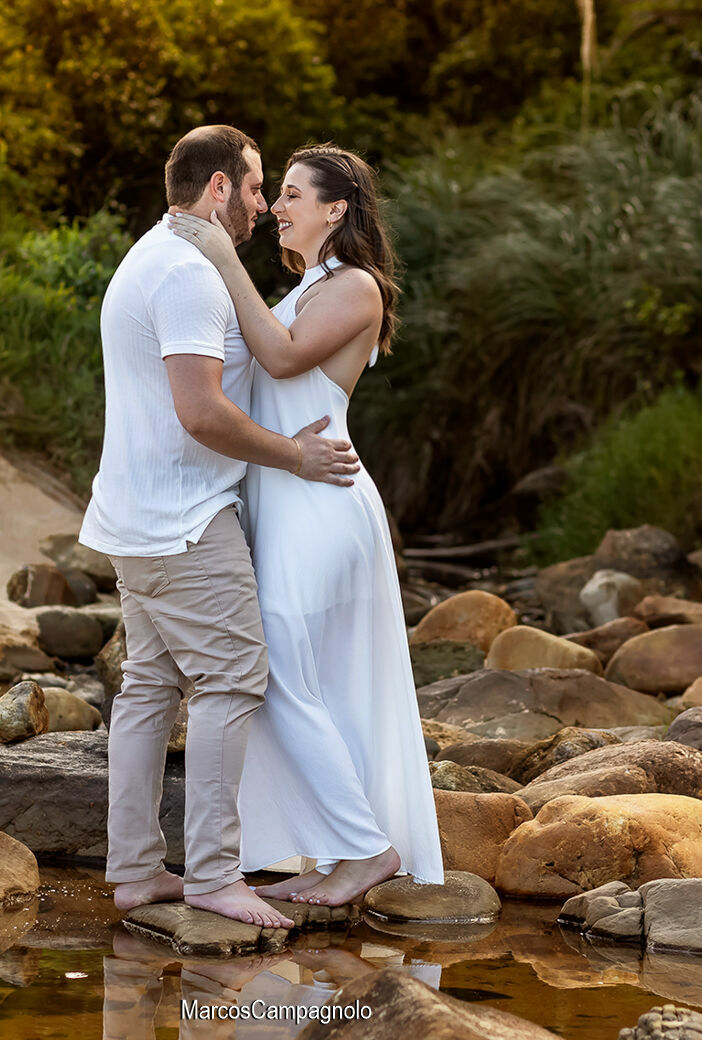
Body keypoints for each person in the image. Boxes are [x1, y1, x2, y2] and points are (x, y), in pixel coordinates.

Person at [79, 125, 360, 929]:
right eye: (254, 186)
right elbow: (201, 412)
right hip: (184, 522)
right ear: (216, 190)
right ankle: (210, 874)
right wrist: (292, 459)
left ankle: (135, 871)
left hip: (139, 516)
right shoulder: (186, 278)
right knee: (232, 681)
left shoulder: (155, 254)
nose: (263, 202)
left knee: (148, 688)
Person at [170, 145, 444, 905]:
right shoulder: (307, 285)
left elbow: (284, 359)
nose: (276, 207)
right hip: (285, 496)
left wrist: (222, 258)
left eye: (291, 194)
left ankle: (365, 850)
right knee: (309, 677)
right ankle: (335, 844)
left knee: (282, 669)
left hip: (321, 501)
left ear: (337, 209)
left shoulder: (356, 286)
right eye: (276, 193)